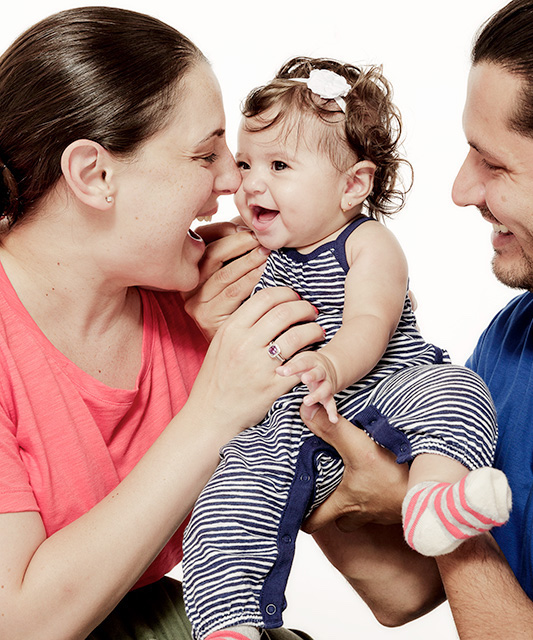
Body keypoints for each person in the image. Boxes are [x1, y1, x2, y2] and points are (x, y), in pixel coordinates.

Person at [301, 0, 533, 638]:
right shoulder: (525, 330)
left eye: (494, 163)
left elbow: (451, 555)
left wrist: (431, 514)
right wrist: (296, 410)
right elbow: (405, 592)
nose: (461, 191)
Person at [0, 7, 324, 640]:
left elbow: (396, 590)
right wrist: (213, 411)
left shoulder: (197, 307)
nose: (232, 180)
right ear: (95, 175)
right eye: (205, 154)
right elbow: (18, 623)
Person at [181, 57, 511, 640]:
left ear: (353, 185)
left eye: (280, 166)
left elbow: (368, 322)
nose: (250, 183)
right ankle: (228, 622)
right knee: (226, 494)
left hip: (387, 392)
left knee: (458, 391)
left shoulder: (367, 243)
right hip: (292, 423)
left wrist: (331, 365)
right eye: (247, 162)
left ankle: (434, 497)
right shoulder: (252, 250)